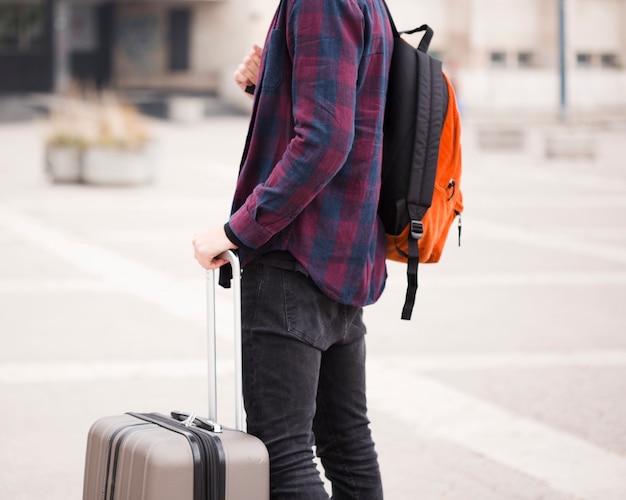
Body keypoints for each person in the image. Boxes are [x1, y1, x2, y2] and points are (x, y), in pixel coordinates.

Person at [192, 0, 393, 497]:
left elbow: (325, 139)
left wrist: (238, 231)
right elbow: (353, 110)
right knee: (347, 444)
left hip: (295, 257)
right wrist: (269, 84)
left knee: (282, 458)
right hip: (344, 253)